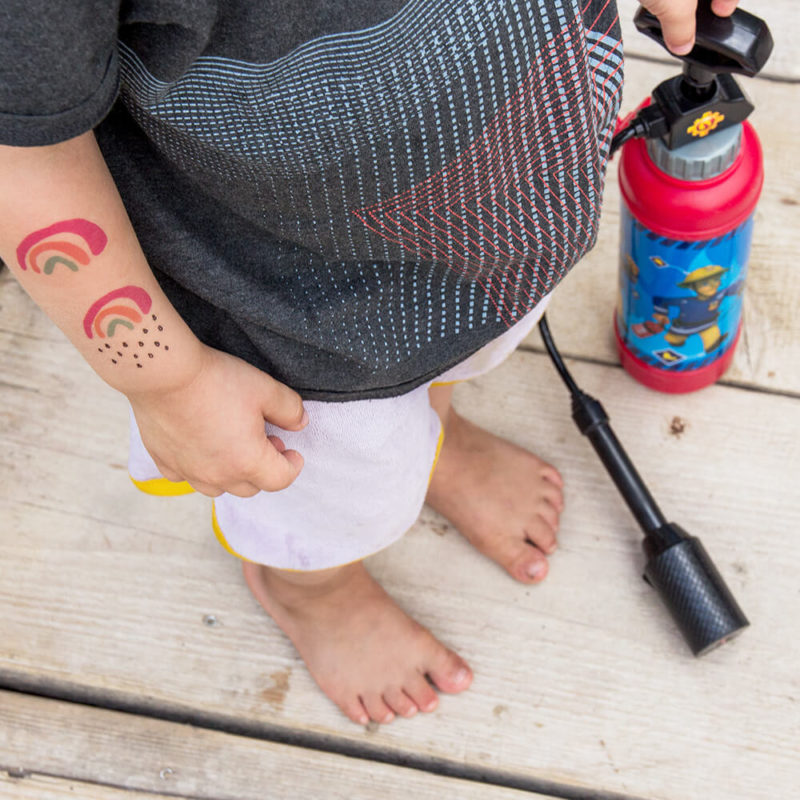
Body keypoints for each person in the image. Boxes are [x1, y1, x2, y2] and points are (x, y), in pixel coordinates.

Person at [0, 0, 738, 725]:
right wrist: (167, 379)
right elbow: (23, 154)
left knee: (473, 351)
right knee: (331, 487)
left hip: (508, 203)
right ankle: (312, 590)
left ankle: (436, 429)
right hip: (288, 308)